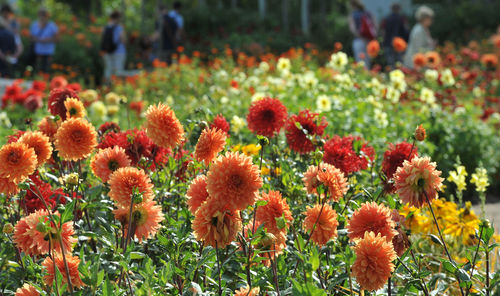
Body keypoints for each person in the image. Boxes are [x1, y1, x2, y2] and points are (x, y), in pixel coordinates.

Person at [348, 0, 376, 68]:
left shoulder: (353, 15)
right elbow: (375, 26)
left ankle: (363, 77)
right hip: (370, 40)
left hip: (359, 40)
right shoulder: (368, 13)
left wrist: (361, 37)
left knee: (360, 62)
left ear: (352, 5)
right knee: (368, 61)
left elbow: (353, 29)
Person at [30, 8, 58, 73]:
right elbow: (31, 38)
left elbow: (57, 38)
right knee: (36, 69)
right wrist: (38, 39)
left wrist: (48, 39)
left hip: (48, 52)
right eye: (41, 15)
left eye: (44, 15)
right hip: (37, 52)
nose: (42, 17)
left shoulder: (52, 26)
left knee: (46, 70)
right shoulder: (34, 25)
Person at [101, 11, 126, 84]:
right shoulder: (119, 28)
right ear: (118, 18)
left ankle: (106, 86)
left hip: (107, 52)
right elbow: (123, 40)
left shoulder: (105, 27)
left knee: (108, 69)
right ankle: (117, 85)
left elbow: (102, 40)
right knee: (118, 70)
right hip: (119, 52)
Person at [380, 3, 408, 68]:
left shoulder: (386, 19)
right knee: (400, 62)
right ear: (399, 9)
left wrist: (383, 43)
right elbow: (406, 30)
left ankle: (391, 74)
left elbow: (383, 32)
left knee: (390, 62)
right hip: (399, 43)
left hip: (388, 42)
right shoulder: (402, 19)